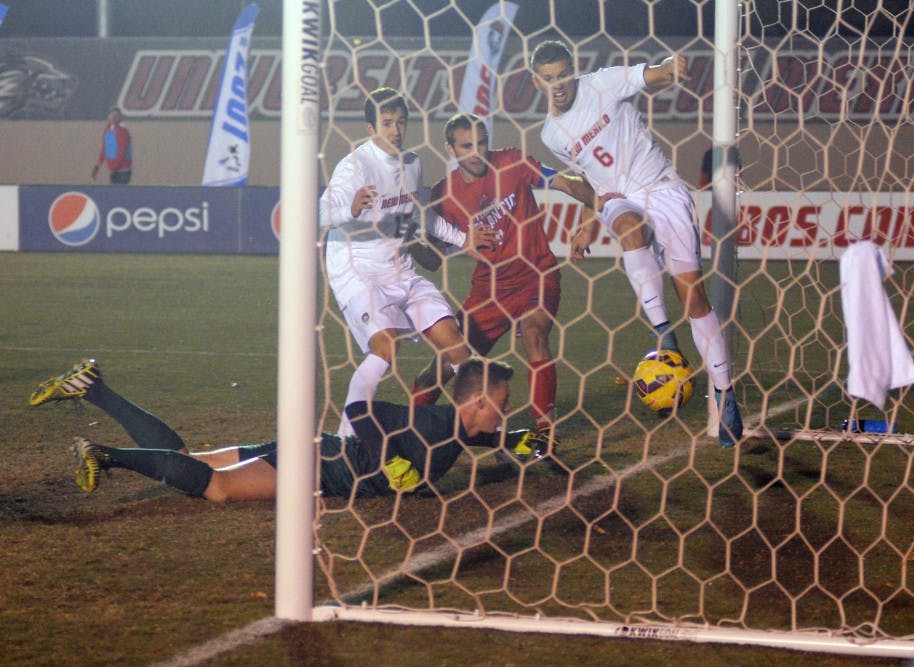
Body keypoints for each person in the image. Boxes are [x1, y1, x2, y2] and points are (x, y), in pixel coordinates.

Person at [530, 40, 744, 447]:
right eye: (548, 78)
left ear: (573, 70)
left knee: (694, 298)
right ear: (537, 80)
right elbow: (594, 179)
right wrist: (591, 219)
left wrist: (669, 67)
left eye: (562, 75)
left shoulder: (603, 84)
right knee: (628, 227)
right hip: (618, 199)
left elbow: (650, 74)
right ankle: (664, 333)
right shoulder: (551, 134)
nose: (557, 85)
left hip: (661, 188)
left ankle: (724, 390)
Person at [28, 358, 552, 501]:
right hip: (318, 469)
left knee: (194, 457)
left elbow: (479, 438)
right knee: (218, 489)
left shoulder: (458, 428)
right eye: (501, 406)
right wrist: (390, 462)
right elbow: (360, 413)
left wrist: (520, 440)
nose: (504, 413)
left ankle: (93, 387)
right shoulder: (435, 424)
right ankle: (105, 455)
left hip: (317, 453)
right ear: (477, 401)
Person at [411, 113, 597, 440]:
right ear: (450, 149)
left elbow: (568, 184)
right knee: (446, 363)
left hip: (537, 274)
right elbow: (432, 261)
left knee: (535, 333)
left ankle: (544, 432)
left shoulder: (512, 161)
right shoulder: (445, 195)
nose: (477, 152)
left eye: (481, 143)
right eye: (467, 146)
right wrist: (407, 240)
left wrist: (590, 219)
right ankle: (412, 426)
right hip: (490, 290)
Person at [318, 87, 475, 438]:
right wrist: (352, 208)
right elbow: (321, 211)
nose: (396, 131)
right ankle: (345, 440)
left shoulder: (412, 163)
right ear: (371, 128)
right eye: (387, 123)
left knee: (457, 346)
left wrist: (464, 240)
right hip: (356, 268)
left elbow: (421, 218)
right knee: (387, 346)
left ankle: (479, 425)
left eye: (401, 122)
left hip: (399, 268)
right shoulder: (355, 166)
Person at [91, 107, 132, 184]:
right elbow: (104, 150)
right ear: (108, 117)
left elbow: (121, 151)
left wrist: (114, 168)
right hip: (114, 171)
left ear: (120, 118)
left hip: (122, 172)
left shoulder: (123, 131)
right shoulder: (107, 131)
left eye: (116, 115)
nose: (113, 117)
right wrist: (97, 167)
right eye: (112, 115)